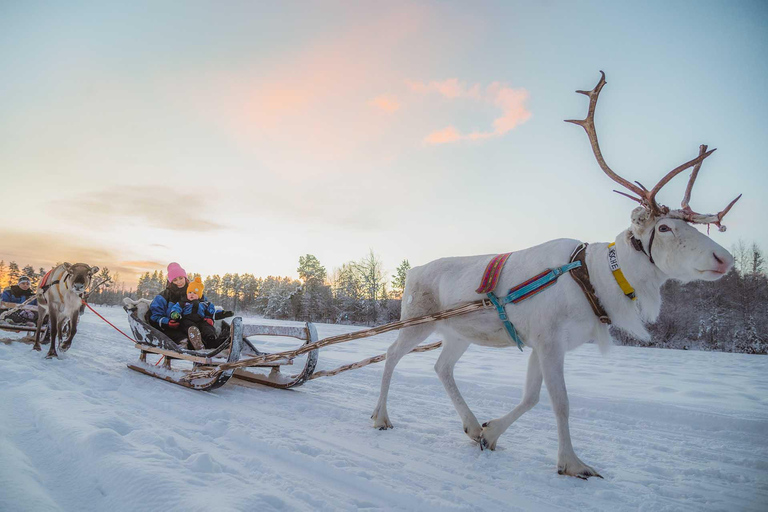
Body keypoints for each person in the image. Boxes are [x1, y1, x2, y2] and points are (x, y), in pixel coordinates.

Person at [170, 276, 219, 350]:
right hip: (187, 319)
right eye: (189, 292)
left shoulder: (204, 303)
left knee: (207, 327)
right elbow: (176, 308)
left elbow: (211, 310)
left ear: (199, 295)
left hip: (201, 320)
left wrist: (209, 318)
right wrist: (175, 313)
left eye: (194, 293)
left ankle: (211, 340)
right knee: (190, 327)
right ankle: (196, 341)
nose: (191, 294)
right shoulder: (183, 302)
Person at [149, 262, 192, 344]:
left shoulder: (193, 293)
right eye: (175, 280)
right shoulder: (163, 296)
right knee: (184, 339)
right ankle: (185, 343)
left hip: (190, 325)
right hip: (169, 328)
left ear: (185, 278)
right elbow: (154, 316)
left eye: (180, 278)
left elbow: (203, 306)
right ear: (170, 282)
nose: (179, 282)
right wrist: (167, 322)